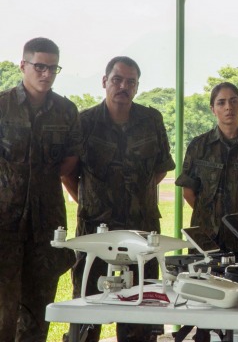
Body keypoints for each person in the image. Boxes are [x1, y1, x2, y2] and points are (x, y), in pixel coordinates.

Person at [62, 56, 175, 342]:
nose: (123, 86)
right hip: (96, 232)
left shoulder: (151, 119)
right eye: (117, 80)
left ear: (137, 87)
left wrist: (135, 195)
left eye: (130, 82)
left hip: (142, 229)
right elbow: (69, 173)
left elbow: (161, 167)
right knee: (87, 308)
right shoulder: (84, 121)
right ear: (104, 82)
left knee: (143, 309)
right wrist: (93, 203)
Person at [175, 82, 238, 342]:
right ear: (213, 109)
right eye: (221, 102)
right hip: (205, 238)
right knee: (202, 299)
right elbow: (189, 192)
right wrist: (209, 216)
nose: (228, 107)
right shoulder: (199, 146)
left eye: (233, 101)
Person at [0, 37, 83, 341]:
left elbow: (72, 157)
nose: (46, 74)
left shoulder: (66, 111)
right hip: (4, 223)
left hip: (46, 223)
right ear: (23, 65)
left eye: (53, 68)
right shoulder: (2, 105)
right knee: (3, 313)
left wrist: (42, 178)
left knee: (39, 311)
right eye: (39, 66)